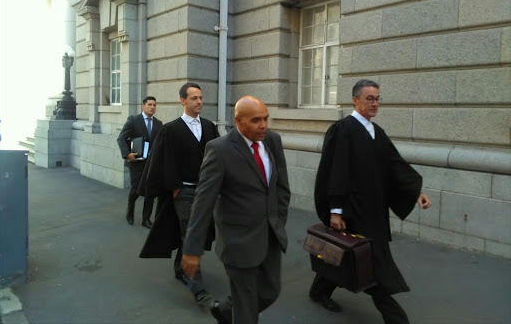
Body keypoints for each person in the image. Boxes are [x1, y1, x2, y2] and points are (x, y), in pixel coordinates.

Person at [310, 79, 432, 323]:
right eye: (370, 98)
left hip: (374, 210)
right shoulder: (343, 129)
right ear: (355, 100)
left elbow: (394, 165)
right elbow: (337, 171)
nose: (375, 103)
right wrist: (335, 210)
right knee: (371, 262)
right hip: (352, 210)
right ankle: (395, 317)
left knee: (346, 254)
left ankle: (319, 290)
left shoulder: (377, 132)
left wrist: (414, 192)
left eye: (377, 99)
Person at [181, 96, 291, 324]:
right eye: (256, 120)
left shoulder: (272, 140)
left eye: (266, 119)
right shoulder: (219, 150)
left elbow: (281, 188)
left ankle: (224, 311)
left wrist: (278, 220)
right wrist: (192, 250)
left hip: (270, 235)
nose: (263, 125)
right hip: (237, 242)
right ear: (238, 121)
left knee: (271, 292)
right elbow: (203, 202)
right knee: (247, 310)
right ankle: (236, 312)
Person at [138, 82, 220, 305]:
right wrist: (174, 187)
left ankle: (179, 269)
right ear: (183, 101)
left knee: (195, 233)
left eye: (201, 98)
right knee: (191, 234)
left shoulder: (209, 127)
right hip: (183, 192)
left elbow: (219, 157)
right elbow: (163, 159)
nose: (199, 102)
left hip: (205, 192)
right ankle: (199, 289)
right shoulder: (171, 129)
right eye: (194, 98)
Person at [117, 96, 162, 228]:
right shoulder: (133, 120)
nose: (152, 107)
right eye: (149, 104)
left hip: (152, 163)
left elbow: (160, 143)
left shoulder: (159, 124)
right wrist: (127, 155)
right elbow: (121, 138)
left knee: (150, 192)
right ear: (143, 106)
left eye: (154, 105)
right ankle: (129, 213)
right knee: (136, 190)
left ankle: (146, 219)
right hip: (136, 162)